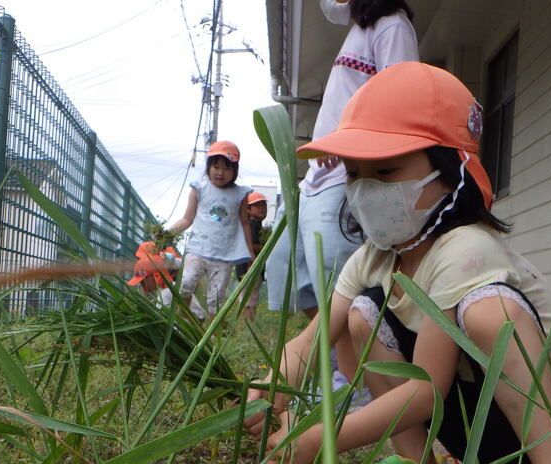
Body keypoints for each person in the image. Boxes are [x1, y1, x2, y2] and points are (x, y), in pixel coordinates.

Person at [245, 62, 551, 464]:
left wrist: (321, 437)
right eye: (355, 174)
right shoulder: (374, 255)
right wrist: (272, 386)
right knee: (359, 316)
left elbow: (425, 390)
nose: (366, 189)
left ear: (450, 168)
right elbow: (311, 340)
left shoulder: (466, 249)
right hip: (465, 418)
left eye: (387, 170)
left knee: (487, 315)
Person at [265, 0, 419, 380]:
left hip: (343, 175)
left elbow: (400, 102)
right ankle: (336, 364)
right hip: (315, 177)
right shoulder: (360, 28)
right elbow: (331, 8)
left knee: (338, 287)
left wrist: (355, 151)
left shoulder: (393, 26)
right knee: (286, 268)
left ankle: (353, 382)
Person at [169, 141, 254, 320]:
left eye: (227, 168)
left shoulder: (240, 194)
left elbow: (245, 223)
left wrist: (251, 254)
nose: (221, 173)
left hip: (224, 256)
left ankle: (216, 336)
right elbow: (186, 219)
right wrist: (166, 234)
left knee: (216, 299)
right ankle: (187, 320)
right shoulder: (199, 189)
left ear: (235, 170)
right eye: (216, 167)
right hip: (197, 250)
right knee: (185, 283)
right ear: (209, 167)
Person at [236, 191, 269, 321]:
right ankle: (247, 323)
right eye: (257, 205)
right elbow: (250, 244)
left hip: (252, 267)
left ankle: (250, 323)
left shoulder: (257, 225)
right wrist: (266, 246)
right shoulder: (251, 224)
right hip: (248, 266)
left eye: (264, 205)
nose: (262, 208)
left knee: (252, 296)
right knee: (248, 297)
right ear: (248, 210)